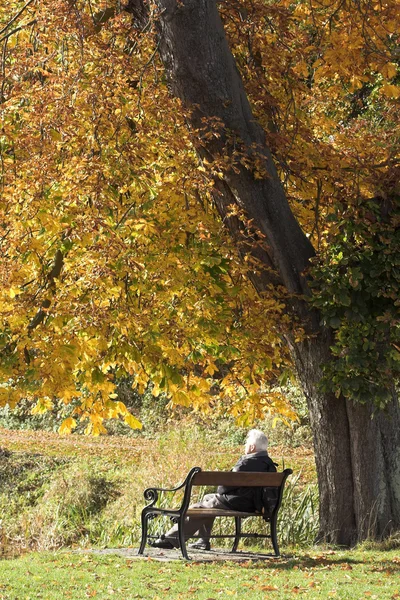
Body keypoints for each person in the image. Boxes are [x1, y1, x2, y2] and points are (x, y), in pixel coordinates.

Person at [151, 428, 277, 551]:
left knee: (201, 508)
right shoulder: (270, 464)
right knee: (207, 499)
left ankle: (170, 538)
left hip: (240, 502)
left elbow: (222, 488)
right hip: (256, 504)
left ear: (252, 447)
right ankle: (202, 541)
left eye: (247, 444)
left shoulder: (246, 463)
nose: (245, 446)